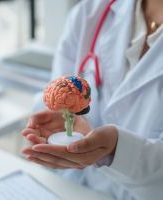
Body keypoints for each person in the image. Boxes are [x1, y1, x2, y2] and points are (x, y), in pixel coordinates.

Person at [22, 0, 163, 199]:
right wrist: (52, 119)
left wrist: (117, 151)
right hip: (73, 189)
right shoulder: (90, 12)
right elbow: (55, 92)